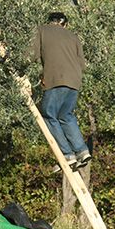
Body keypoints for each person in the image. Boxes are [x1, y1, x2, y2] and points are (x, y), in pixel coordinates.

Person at [31, 11, 91, 173]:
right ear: (65, 24)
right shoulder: (73, 36)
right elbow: (83, 65)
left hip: (56, 79)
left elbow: (31, 55)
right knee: (66, 115)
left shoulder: (41, 30)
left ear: (50, 21)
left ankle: (67, 154)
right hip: (75, 81)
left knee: (48, 114)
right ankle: (82, 151)